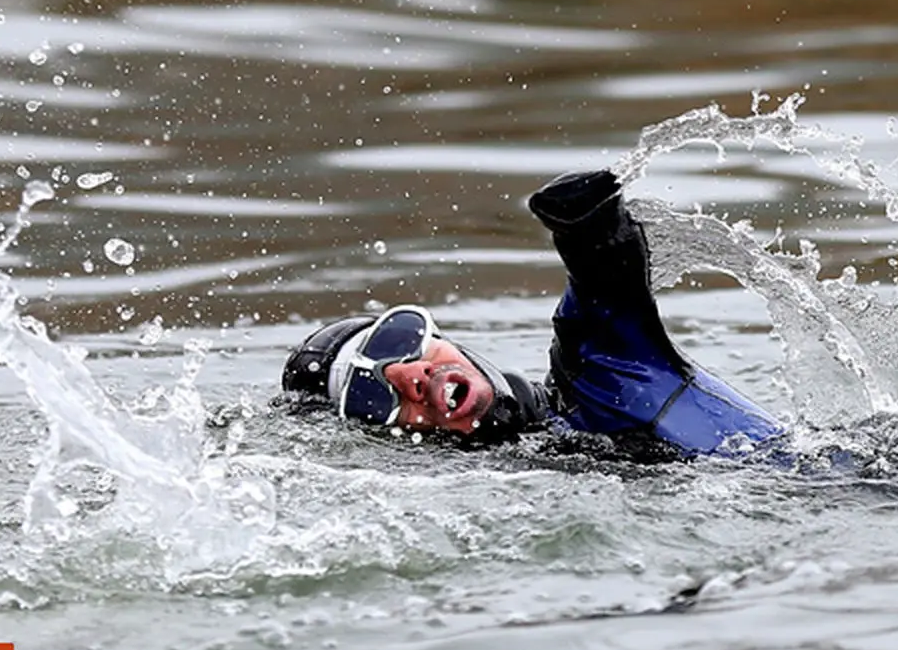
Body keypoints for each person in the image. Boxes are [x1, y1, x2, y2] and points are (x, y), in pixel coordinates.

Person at [281, 169, 785, 457]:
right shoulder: (490, 489)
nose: (409, 374)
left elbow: (606, 286)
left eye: (396, 341)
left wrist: (585, 227)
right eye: (371, 395)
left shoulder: (604, 378)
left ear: (443, 336)